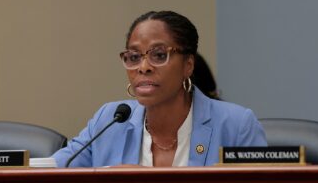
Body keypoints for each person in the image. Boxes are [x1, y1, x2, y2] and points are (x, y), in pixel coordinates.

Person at [52, 11, 267, 167]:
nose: (143, 67)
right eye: (134, 57)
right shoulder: (109, 119)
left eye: (159, 55)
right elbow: (53, 171)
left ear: (188, 65)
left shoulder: (236, 125)